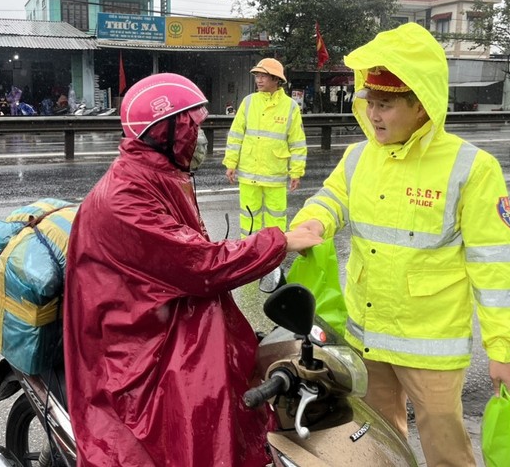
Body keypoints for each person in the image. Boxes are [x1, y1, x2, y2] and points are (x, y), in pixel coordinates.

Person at [290, 22, 510, 467]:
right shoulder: (359, 155)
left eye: (386, 105)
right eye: (370, 102)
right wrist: (313, 223)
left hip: (430, 345)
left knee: (446, 450)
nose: (374, 115)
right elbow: (332, 198)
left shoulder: (471, 168)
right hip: (368, 335)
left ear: (420, 105)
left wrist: (503, 351)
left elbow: (496, 266)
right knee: (379, 442)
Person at [63, 73, 322, 467]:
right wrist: (279, 242)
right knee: (198, 398)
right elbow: (200, 264)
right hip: (128, 330)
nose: (200, 138)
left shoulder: (160, 173)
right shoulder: (126, 197)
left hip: (152, 302)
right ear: (163, 132)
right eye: (192, 128)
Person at [223, 58, 307, 237]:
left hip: (274, 174)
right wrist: (231, 163)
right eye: (257, 76)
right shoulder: (248, 102)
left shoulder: (290, 107)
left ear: (276, 79)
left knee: (276, 218)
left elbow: (297, 143)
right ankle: (249, 252)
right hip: (248, 172)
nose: (259, 80)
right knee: (249, 217)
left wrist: (296, 172)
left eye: (264, 76)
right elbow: (236, 135)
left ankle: (274, 255)